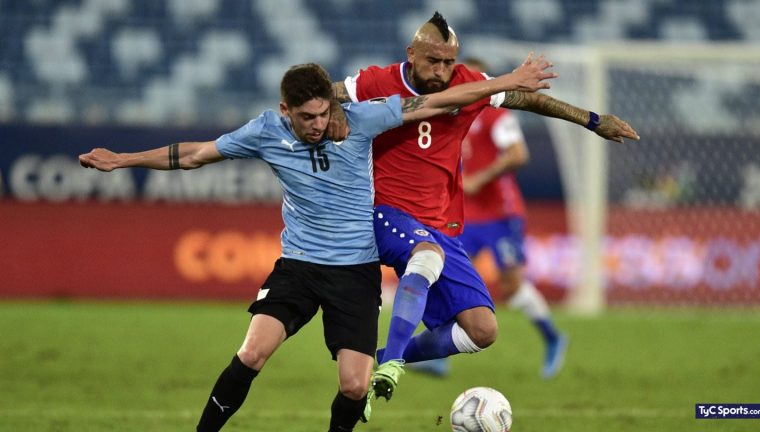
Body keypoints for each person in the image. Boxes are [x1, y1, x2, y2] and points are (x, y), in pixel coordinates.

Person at [78, 60, 556, 431]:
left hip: (355, 271)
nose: (319, 124)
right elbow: (196, 154)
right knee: (252, 352)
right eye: (307, 117)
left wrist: (506, 80)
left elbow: (436, 103)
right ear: (285, 110)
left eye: (325, 113)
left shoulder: (361, 119)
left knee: (354, 385)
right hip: (299, 266)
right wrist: (122, 160)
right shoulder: (265, 131)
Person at [330, 11, 639, 408]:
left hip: (441, 224)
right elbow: (326, 91)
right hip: (385, 213)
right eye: (433, 61)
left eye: (449, 62)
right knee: (425, 257)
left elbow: (528, 99)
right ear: (411, 54)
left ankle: (379, 361)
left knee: (482, 330)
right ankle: (391, 364)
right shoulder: (376, 81)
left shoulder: (468, 84)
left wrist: (591, 120)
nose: (442, 70)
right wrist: (329, 111)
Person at [409, 57, 568, 380]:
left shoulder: (496, 114)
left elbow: (518, 154)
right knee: (444, 279)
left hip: (500, 214)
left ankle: (552, 337)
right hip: (464, 215)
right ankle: (440, 357)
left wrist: (480, 179)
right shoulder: (449, 113)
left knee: (511, 285)